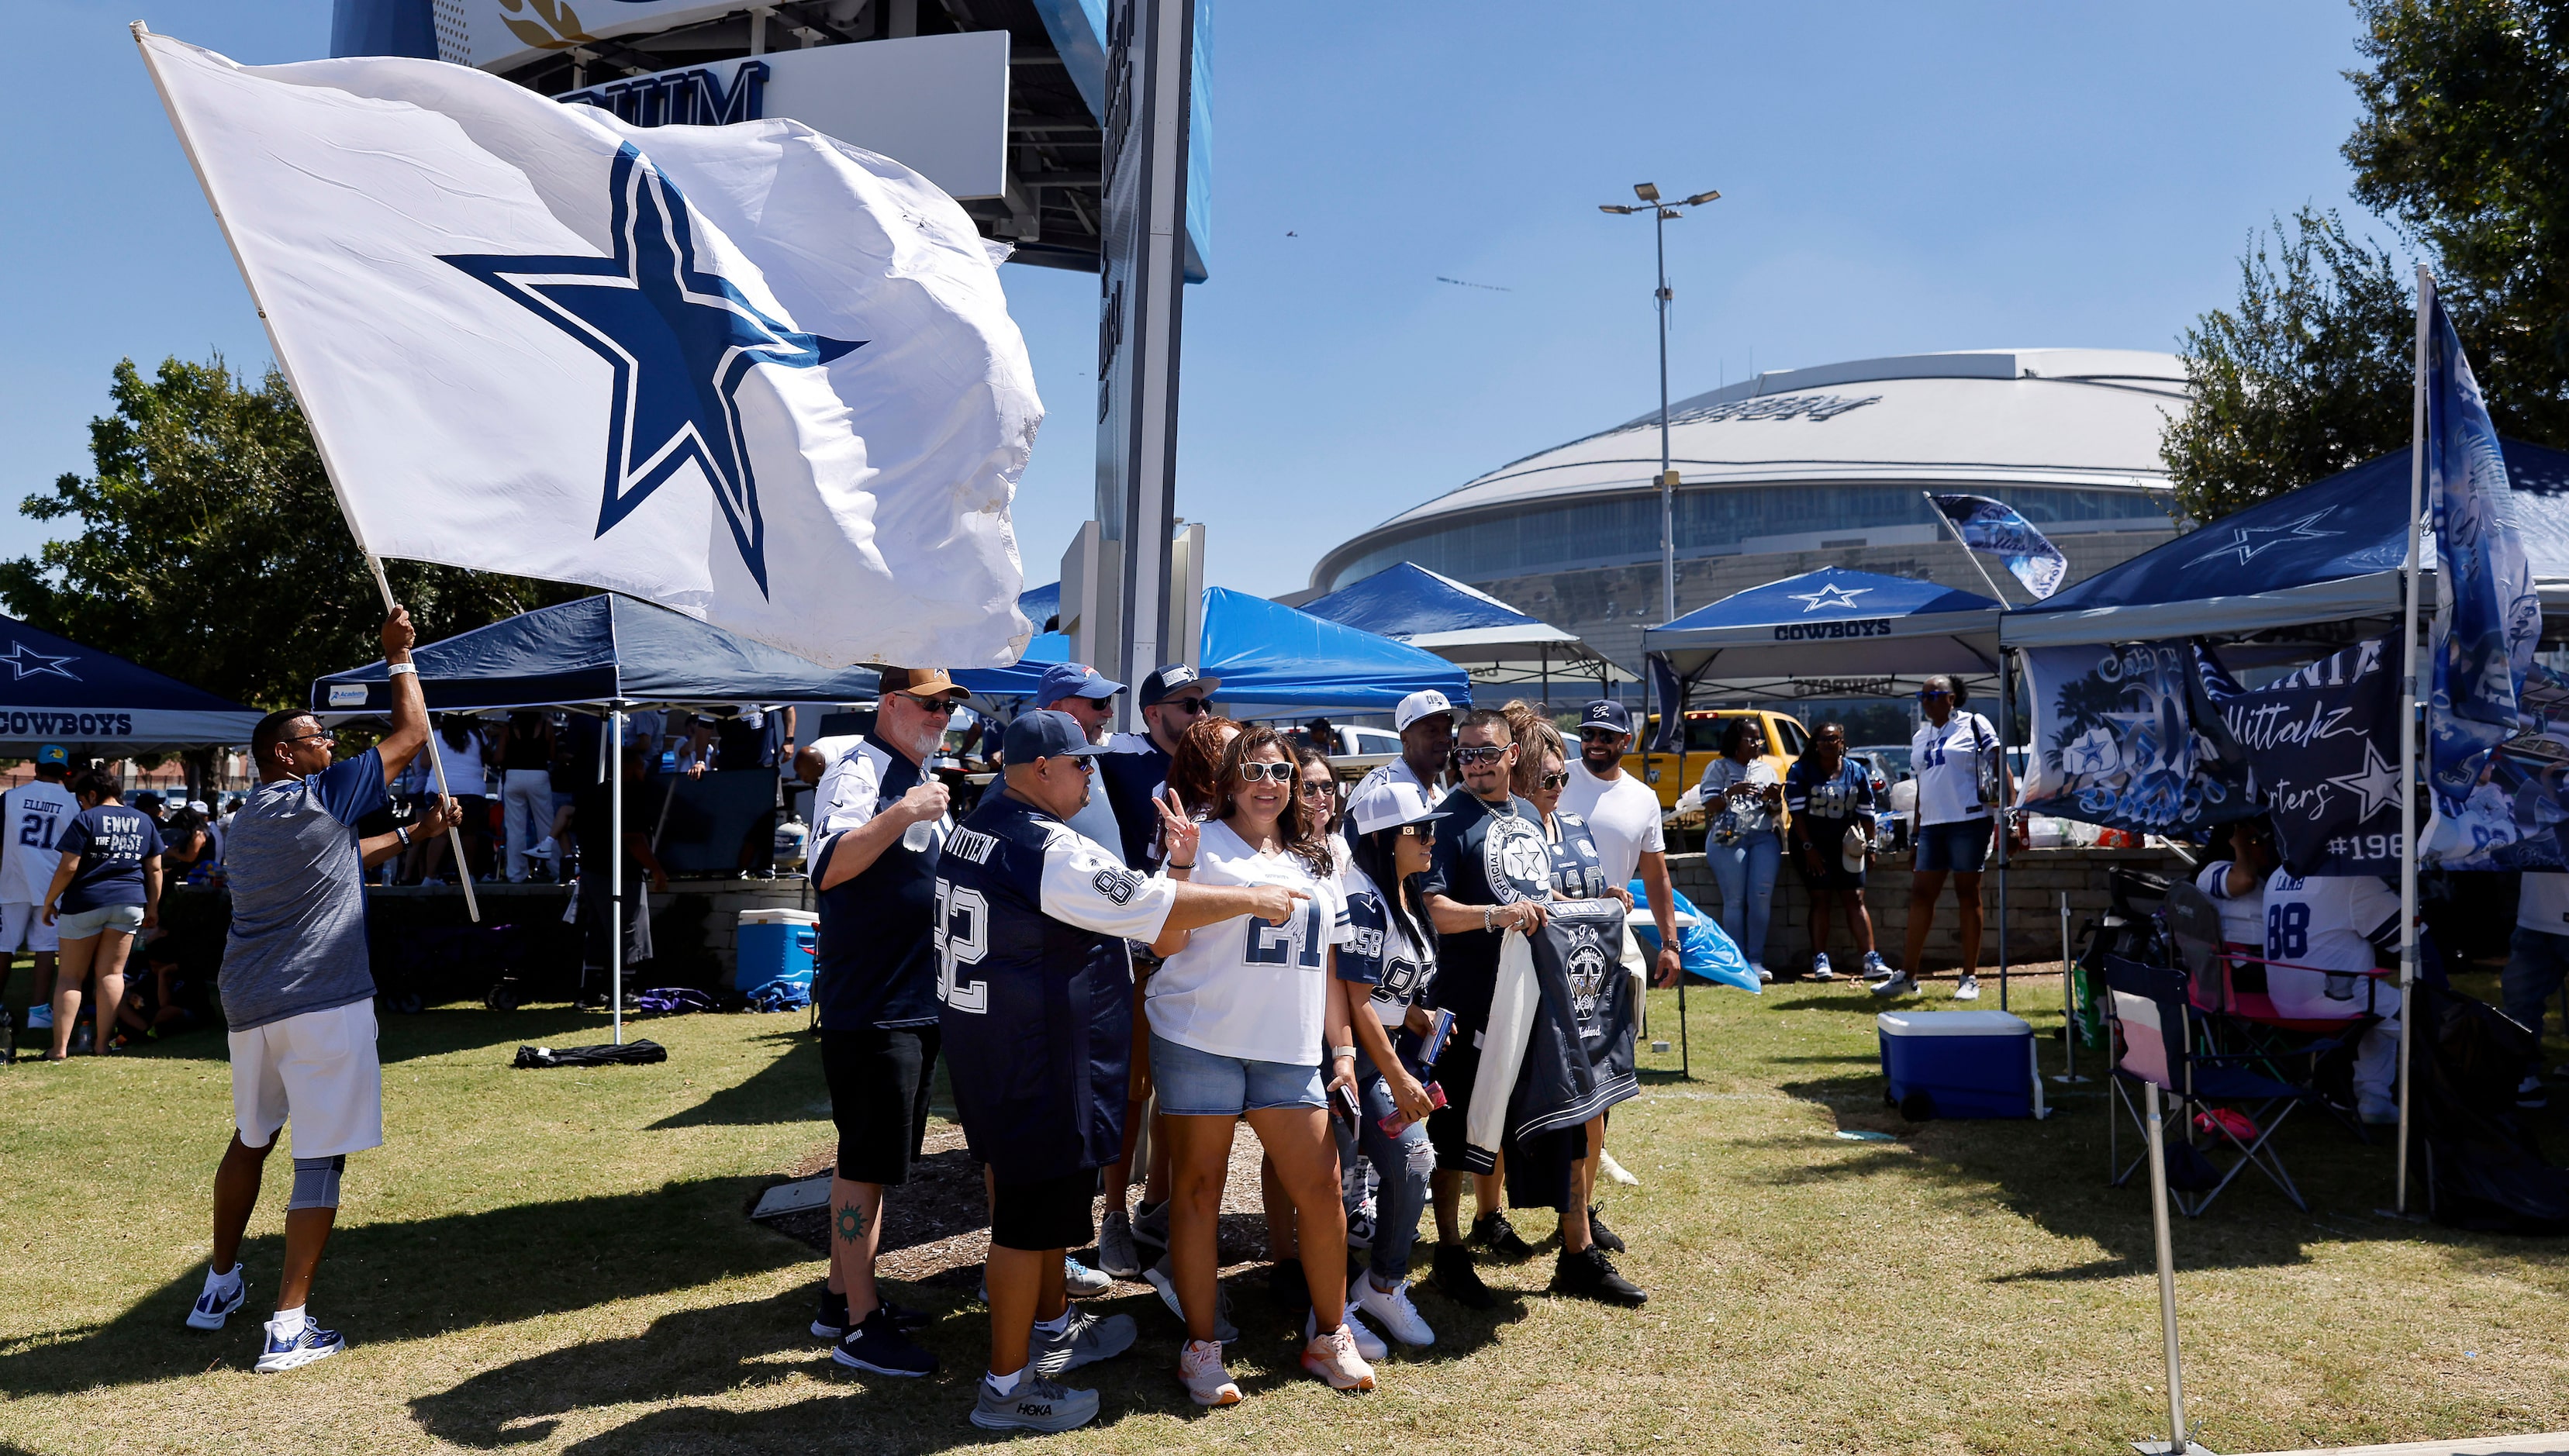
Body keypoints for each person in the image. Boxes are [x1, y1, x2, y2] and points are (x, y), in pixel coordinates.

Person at [934, 709, 1313, 1430]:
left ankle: (1047, 1334)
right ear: (1040, 769)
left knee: (1040, 1220)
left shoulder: (975, 823)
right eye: (1081, 763)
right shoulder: (1045, 846)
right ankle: (1005, 1389)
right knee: (1024, 1226)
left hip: (993, 1056)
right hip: (1036, 1062)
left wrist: (1177, 865)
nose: (1092, 775)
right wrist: (1252, 897)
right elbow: (1146, 906)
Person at [185, 607, 460, 1371]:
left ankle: (218, 1286)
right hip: (321, 1002)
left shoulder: (250, 819)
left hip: (252, 1006)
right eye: (319, 739)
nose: (332, 745)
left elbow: (338, 864)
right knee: (320, 1157)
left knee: (252, 1137)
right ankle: (289, 1326)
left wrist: (415, 834)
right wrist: (399, 659)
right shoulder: (322, 793)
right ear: (285, 752)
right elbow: (410, 740)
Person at [1143, 724, 1381, 1399]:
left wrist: (1340, 1050)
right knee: (1196, 1194)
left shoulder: (1315, 858)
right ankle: (1201, 1348)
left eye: (1281, 774)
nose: (1268, 785)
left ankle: (1329, 1335)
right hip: (1199, 1038)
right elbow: (1161, 942)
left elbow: (1332, 967)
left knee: (1323, 1189)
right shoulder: (1200, 842)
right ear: (1225, 779)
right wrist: (1181, 866)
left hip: (1287, 1047)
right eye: (1253, 770)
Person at [803, 667, 969, 1378]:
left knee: (868, 1158)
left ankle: (842, 1301)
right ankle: (860, 1327)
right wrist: (904, 811)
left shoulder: (910, 771)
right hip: (873, 1005)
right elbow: (828, 867)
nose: (941, 716)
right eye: (930, 704)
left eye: (949, 707)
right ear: (892, 703)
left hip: (912, 999)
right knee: (864, 1164)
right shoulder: (861, 770)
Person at [1510, 720, 1646, 1302]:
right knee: (1540, 1118)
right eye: (1546, 774)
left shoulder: (1572, 824)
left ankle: (1579, 1230)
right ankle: (1554, 1239)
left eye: (1563, 774)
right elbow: (1537, 896)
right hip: (1534, 996)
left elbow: (1579, 891)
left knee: (1594, 1112)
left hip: (1586, 995)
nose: (1558, 782)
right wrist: (1590, 903)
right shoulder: (1511, 830)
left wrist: (1609, 897)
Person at [1417, 708, 1549, 1306]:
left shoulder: (1525, 813)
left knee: (1498, 1122)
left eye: (1486, 753)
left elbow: (1535, 895)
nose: (1474, 764)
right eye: (1464, 754)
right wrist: (1496, 917)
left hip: (1520, 999)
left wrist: (1584, 902)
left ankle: (1487, 1221)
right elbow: (1435, 909)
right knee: (1452, 1129)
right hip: (1463, 999)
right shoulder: (1445, 817)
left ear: (1511, 754)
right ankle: (1446, 1251)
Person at [1333, 778, 1447, 1347]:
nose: (1431, 838)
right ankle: (1329, 1310)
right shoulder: (1360, 896)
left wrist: (1417, 1020)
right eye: (1419, 829)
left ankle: (1380, 1284)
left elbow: (1385, 994)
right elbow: (1353, 1004)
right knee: (1392, 1166)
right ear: (1381, 838)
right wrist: (1399, 1075)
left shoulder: (1401, 889)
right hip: (1351, 1062)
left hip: (1386, 1056)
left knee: (1412, 1165)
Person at [1884, 677, 2006, 1001]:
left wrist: (2008, 818)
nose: (1925, 702)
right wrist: (1915, 834)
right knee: (1921, 894)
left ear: (1952, 698)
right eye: (1922, 696)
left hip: (1969, 820)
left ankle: (1969, 977)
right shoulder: (1921, 735)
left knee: (1968, 893)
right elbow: (1923, 785)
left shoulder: (1975, 724)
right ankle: (1908, 975)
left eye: (1933, 696)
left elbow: (1999, 765)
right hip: (1933, 825)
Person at [2262, 868, 2404, 1123]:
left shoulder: (2277, 875)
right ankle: (2469, 1097)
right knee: (2430, 1021)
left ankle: (2375, 1097)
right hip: (2337, 998)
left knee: (2378, 1011)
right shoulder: (2349, 876)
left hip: (2282, 1002)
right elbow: (2407, 936)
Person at [41, 774, 165, 1061]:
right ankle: (101, 1045)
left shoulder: (87, 819)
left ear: (92, 796)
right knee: (112, 974)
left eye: (82, 800)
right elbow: (156, 870)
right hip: (130, 901)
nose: (82, 806)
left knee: (71, 977)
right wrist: (154, 908)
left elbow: (69, 867)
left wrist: (49, 902)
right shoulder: (143, 820)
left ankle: (59, 1049)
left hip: (86, 900)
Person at [1560, 701, 1683, 990]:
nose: (1595, 744)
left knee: (1611, 1025)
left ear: (1626, 741)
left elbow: (1656, 876)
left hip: (1610, 934)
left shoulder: (1643, 798)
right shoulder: (1556, 779)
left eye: (1606, 736)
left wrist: (1669, 944)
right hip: (1555, 928)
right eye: (1588, 734)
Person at [1786, 721, 1885, 983]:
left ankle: (1870, 958)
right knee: (1821, 898)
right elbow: (1797, 816)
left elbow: (1866, 813)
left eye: (1834, 739)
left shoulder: (1856, 771)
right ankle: (1820, 957)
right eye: (1824, 740)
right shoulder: (1801, 771)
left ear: (1842, 742)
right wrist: (1808, 848)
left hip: (1846, 844)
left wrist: (1871, 845)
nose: (1829, 744)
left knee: (1855, 897)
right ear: (1815, 744)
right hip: (1812, 843)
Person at [1096, 664, 1221, 871]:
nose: (1201, 715)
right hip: (1143, 891)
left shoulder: (1217, 762)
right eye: (1189, 705)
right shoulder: (1120, 751)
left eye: (1205, 705)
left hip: (1200, 886)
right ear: (1153, 714)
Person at [1695, 717, 1784, 983]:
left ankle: (1756, 960)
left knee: (1760, 897)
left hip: (1762, 836)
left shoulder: (1766, 770)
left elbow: (1776, 811)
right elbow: (1709, 805)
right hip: (1728, 840)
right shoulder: (1718, 767)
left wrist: (1773, 800)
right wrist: (1730, 792)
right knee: (1734, 900)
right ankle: (1736, 961)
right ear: (1736, 742)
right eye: (1751, 739)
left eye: (1759, 739)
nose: (1757, 744)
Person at [5, 744, 78, 1037]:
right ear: (66, 772)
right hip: (54, 885)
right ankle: (38, 1011)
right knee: (46, 948)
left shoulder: (11, 797)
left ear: (36, 767)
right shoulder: (74, 803)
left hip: (13, 881)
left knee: (3, 945)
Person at [1036, 661, 1126, 857]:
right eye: (1099, 702)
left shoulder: (1091, 758)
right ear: (1057, 708)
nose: (1110, 712)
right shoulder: (1028, 774)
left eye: (1108, 700)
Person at [2507, 869, 2569, 1108]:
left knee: (2520, 1001)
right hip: (2535, 917)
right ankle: (2523, 1077)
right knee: (2519, 1001)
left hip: (2536, 917)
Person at [416, 716, 492, 885]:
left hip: (440, 789)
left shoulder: (435, 733)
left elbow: (425, 762)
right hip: (472, 790)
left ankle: (430, 877)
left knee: (440, 834)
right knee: (469, 834)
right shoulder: (477, 734)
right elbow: (488, 758)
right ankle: (469, 877)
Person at [1354, 688, 1457, 802]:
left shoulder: (1440, 797)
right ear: (1405, 739)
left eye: (1448, 730)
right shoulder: (1384, 787)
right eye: (1432, 731)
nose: (1444, 739)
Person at [499, 710, 555, 883]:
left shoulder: (508, 728)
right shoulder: (546, 726)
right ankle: (556, 870)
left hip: (513, 775)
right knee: (546, 825)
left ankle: (516, 873)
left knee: (515, 828)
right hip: (539, 774)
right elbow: (552, 755)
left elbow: (499, 756)